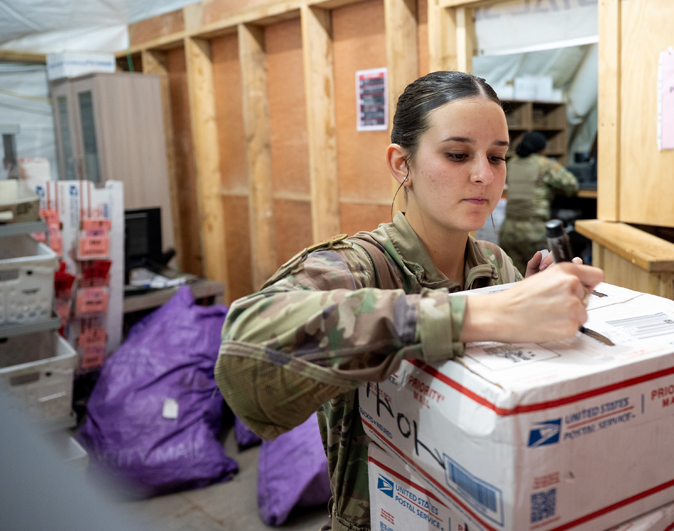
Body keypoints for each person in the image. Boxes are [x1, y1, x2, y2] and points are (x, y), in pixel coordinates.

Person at [214, 71, 603, 531]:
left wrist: (537, 308)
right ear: (402, 165)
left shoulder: (495, 267)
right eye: (458, 154)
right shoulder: (358, 268)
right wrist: (475, 315)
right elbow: (243, 361)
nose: (484, 175)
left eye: (497, 157)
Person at [499, 131, 579, 273]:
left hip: (508, 230)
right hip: (533, 231)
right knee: (541, 276)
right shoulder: (544, 164)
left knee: (515, 278)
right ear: (542, 150)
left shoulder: (511, 163)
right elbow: (571, 184)